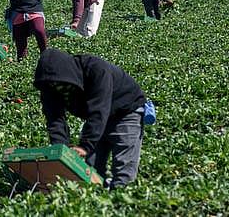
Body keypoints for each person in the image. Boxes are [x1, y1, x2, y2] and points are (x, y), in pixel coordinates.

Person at [34, 48, 146, 190]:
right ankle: (98, 201)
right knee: (89, 170)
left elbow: (98, 110)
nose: (59, 88)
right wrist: (61, 150)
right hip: (97, 118)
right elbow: (55, 119)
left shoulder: (96, 70)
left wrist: (85, 145)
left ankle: (122, 201)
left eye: (62, 85)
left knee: (123, 172)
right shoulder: (49, 86)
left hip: (125, 112)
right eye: (54, 86)